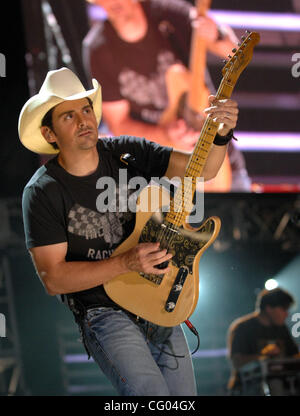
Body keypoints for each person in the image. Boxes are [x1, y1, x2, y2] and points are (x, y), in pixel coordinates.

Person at [19, 67, 239, 396]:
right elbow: (54, 278)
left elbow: (202, 169)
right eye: (68, 116)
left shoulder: (125, 151)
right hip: (104, 312)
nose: (83, 121)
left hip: (160, 298)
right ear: (50, 134)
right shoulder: (43, 192)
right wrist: (127, 262)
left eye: (86, 109)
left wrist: (220, 133)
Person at [83, 0, 251, 191]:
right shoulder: (98, 47)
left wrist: (216, 35)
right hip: (159, 177)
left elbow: (236, 53)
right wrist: (165, 134)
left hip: (220, 165)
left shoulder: (170, 14)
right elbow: (118, 124)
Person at [227, 287, 299, 395]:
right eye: (284, 309)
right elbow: (236, 362)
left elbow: (294, 357)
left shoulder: (282, 328)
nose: (286, 314)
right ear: (269, 308)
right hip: (246, 389)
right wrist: (264, 356)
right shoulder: (242, 327)